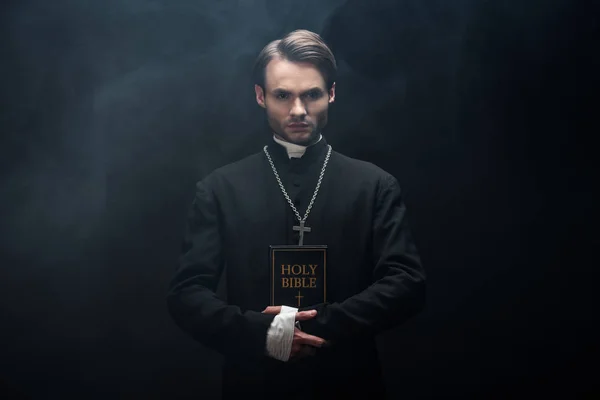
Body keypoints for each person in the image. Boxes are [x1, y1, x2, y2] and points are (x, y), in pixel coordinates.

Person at [167, 29, 426, 400]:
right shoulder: (220, 188)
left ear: (332, 93)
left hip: (350, 384)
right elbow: (186, 294)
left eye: (312, 95)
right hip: (254, 385)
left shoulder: (374, 185)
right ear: (261, 96)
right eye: (283, 95)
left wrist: (317, 324)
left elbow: (407, 284)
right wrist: (262, 333)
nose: (299, 110)